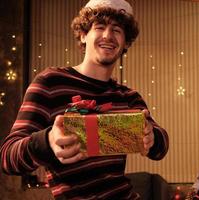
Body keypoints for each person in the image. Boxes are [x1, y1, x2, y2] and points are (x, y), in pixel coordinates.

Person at [0, 0, 169, 199]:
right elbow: (7, 158)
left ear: (125, 42)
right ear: (83, 35)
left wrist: (152, 137)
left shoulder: (128, 97)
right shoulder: (51, 82)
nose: (108, 35)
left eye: (116, 30)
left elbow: (161, 148)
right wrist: (47, 141)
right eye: (99, 27)